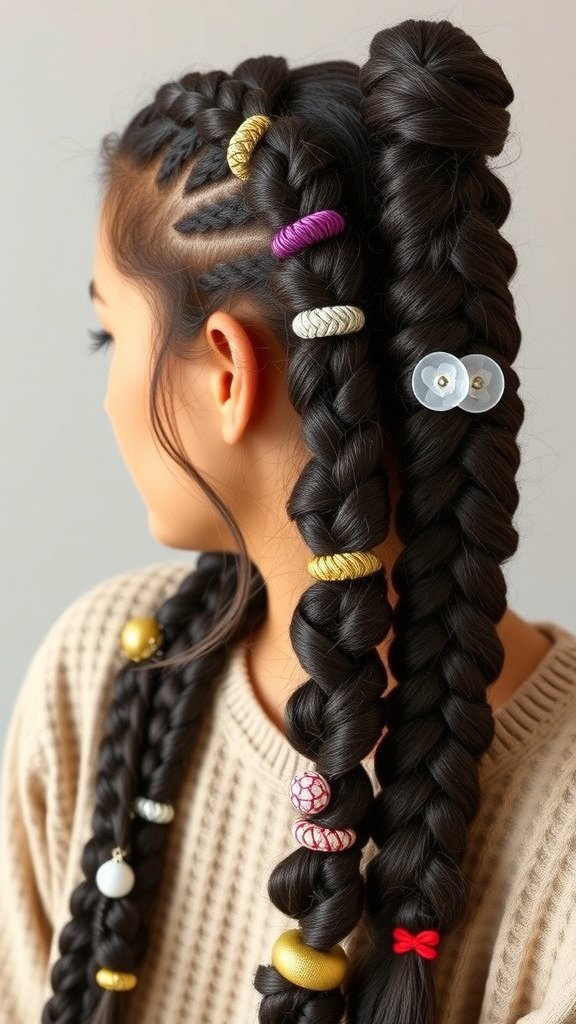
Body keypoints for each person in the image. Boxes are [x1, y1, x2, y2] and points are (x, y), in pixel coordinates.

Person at [0, 16, 575, 1024]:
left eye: (112, 334)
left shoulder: (103, 675)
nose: (105, 396)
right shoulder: (108, 680)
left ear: (227, 371)